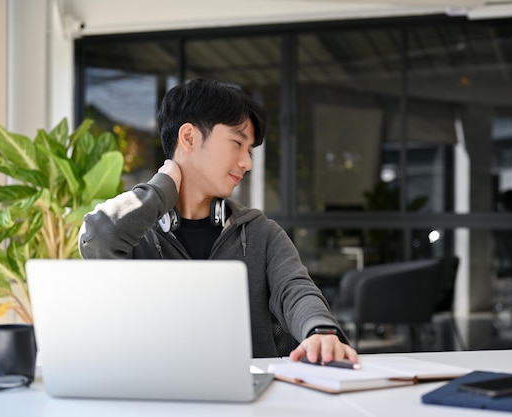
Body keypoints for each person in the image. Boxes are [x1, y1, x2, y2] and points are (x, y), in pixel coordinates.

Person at [79, 78, 358, 364]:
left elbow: (296, 291)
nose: (246, 163)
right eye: (237, 143)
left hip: (250, 400)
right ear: (188, 138)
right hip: (157, 396)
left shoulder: (262, 233)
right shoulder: (137, 235)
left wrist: (320, 331)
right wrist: (163, 186)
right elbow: (97, 238)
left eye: (249, 151)